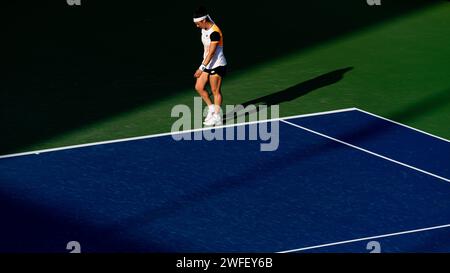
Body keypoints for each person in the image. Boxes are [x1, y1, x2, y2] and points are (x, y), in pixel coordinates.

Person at [193, 7, 227, 126]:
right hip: (207, 63)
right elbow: (205, 13)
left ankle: (217, 116)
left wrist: (201, 68)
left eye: (198, 24)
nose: (197, 26)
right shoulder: (205, 24)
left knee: (215, 90)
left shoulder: (215, 33)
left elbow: (212, 53)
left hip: (217, 64)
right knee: (199, 87)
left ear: (203, 21)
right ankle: (211, 109)